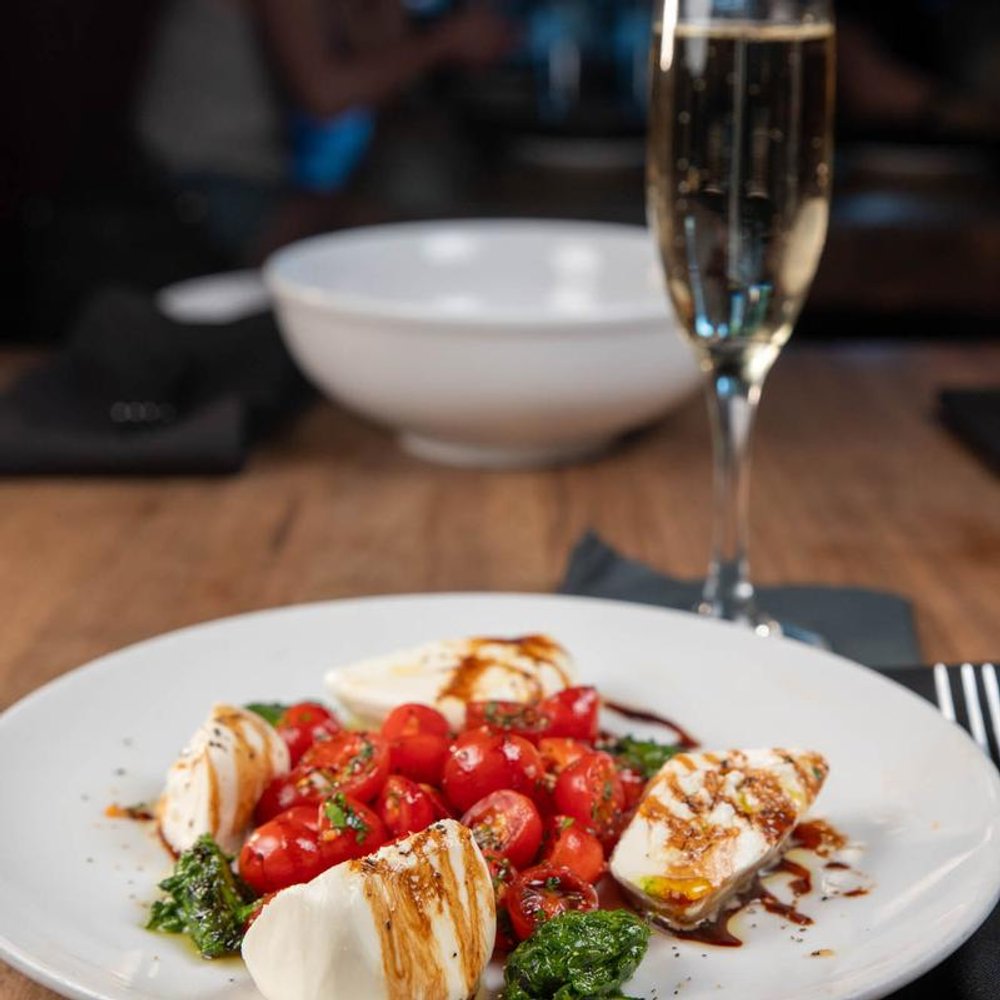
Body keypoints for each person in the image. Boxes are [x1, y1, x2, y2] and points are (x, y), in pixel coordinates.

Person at [136, 0, 512, 262]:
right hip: (192, 187)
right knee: (391, 236)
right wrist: (446, 41)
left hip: (253, 178)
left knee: (414, 209)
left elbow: (386, 85)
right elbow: (325, 95)